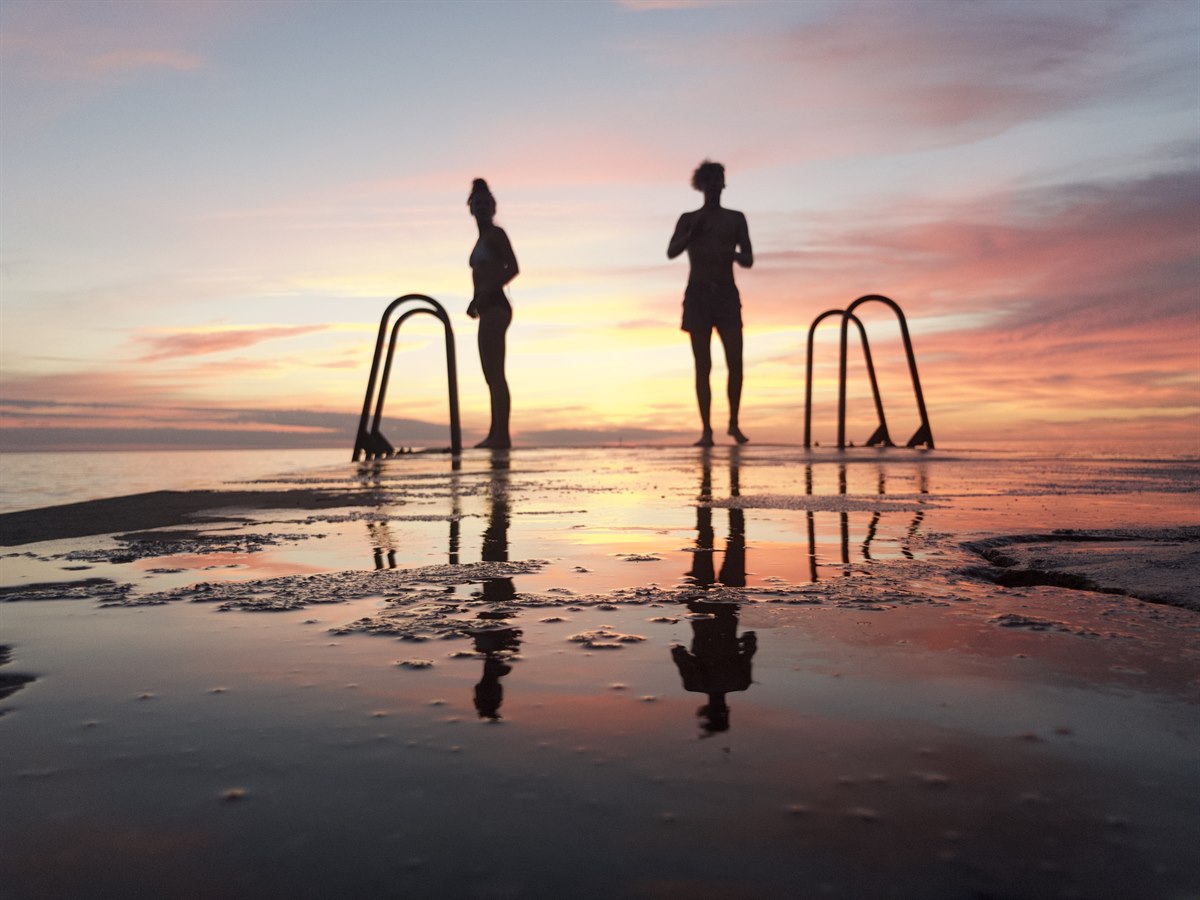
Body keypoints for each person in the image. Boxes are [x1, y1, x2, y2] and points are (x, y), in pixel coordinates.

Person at [667, 160, 753, 447]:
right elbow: (671, 251)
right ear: (701, 185)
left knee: (735, 363)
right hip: (698, 295)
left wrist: (731, 254)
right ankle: (706, 430)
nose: (715, 184)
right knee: (702, 365)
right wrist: (692, 234)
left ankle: (733, 424)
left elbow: (749, 259)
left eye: (719, 178)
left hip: (726, 293)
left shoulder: (736, 218)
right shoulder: (688, 218)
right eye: (710, 179)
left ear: (724, 184)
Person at [467, 178, 518, 449]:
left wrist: (486, 294)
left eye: (487, 203)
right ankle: (494, 432)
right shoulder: (481, 239)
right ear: (471, 208)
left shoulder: (497, 234)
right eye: (478, 203)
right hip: (485, 307)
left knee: (496, 372)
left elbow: (513, 267)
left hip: (497, 306)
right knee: (489, 374)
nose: (483, 207)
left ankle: (502, 435)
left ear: (494, 207)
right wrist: (476, 300)